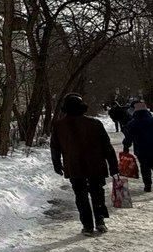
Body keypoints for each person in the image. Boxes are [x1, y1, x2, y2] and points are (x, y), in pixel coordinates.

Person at [51, 93, 120, 235]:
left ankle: (87, 225)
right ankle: (100, 221)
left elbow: (55, 147)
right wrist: (114, 167)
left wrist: (57, 164)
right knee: (97, 193)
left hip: (74, 166)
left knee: (81, 196)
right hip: (96, 165)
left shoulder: (59, 126)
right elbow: (107, 147)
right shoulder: (95, 123)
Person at [122, 100, 153, 194]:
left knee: (145, 168)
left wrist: (126, 147)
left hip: (142, 151)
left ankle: (147, 186)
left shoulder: (133, 123)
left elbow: (128, 137)